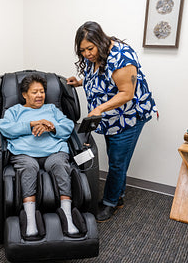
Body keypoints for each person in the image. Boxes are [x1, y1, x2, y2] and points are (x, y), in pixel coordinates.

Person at [67, 21, 157, 222]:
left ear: (99, 41)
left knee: (117, 162)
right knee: (116, 158)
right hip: (110, 118)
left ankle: (110, 203)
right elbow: (103, 78)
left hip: (128, 117)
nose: (87, 54)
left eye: (90, 49)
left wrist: (98, 108)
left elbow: (127, 92)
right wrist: (81, 82)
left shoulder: (121, 57)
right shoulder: (97, 54)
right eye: (82, 51)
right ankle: (119, 196)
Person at [0, 74, 79, 237]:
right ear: (24, 94)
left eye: (42, 91)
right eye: (34, 92)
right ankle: (30, 219)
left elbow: (68, 125)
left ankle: (67, 216)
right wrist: (31, 125)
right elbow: (4, 127)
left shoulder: (52, 110)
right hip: (24, 153)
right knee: (29, 167)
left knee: (61, 165)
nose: (40, 95)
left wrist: (52, 127)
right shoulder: (15, 111)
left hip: (53, 151)